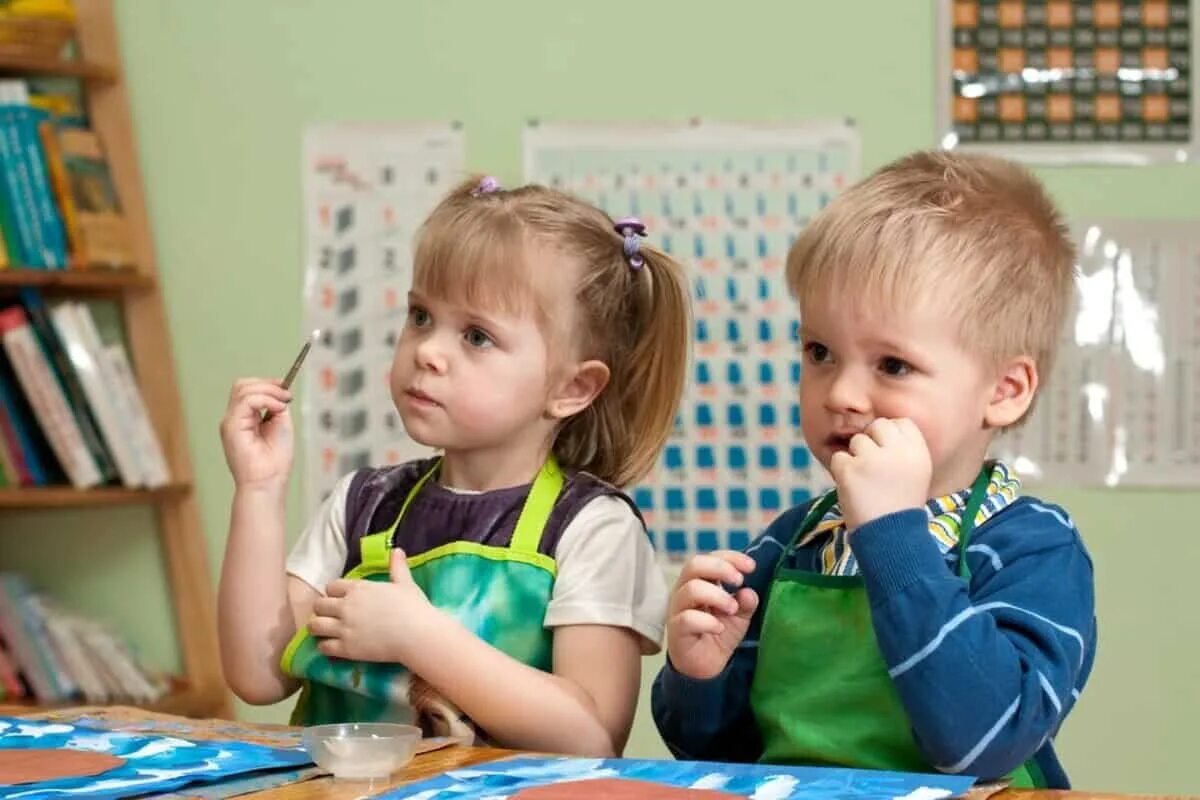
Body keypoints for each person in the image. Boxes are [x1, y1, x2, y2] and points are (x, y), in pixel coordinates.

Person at [653, 151, 1097, 788]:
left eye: (892, 365)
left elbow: (984, 740)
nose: (841, 394)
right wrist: (698, 674)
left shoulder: (1034, 549)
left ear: (1004, 390)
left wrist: (894, 538)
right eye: (820, 352)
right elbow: (719, 754)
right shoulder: (793, 540)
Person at [219, 175, 690, 757]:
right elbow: (257, 675)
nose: (428, 351)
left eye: (476, 335)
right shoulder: (362, 504)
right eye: (420, 316)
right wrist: (258, 491)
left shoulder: (593, 529)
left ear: (572, 388)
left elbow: (589, 737)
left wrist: (419, 637)